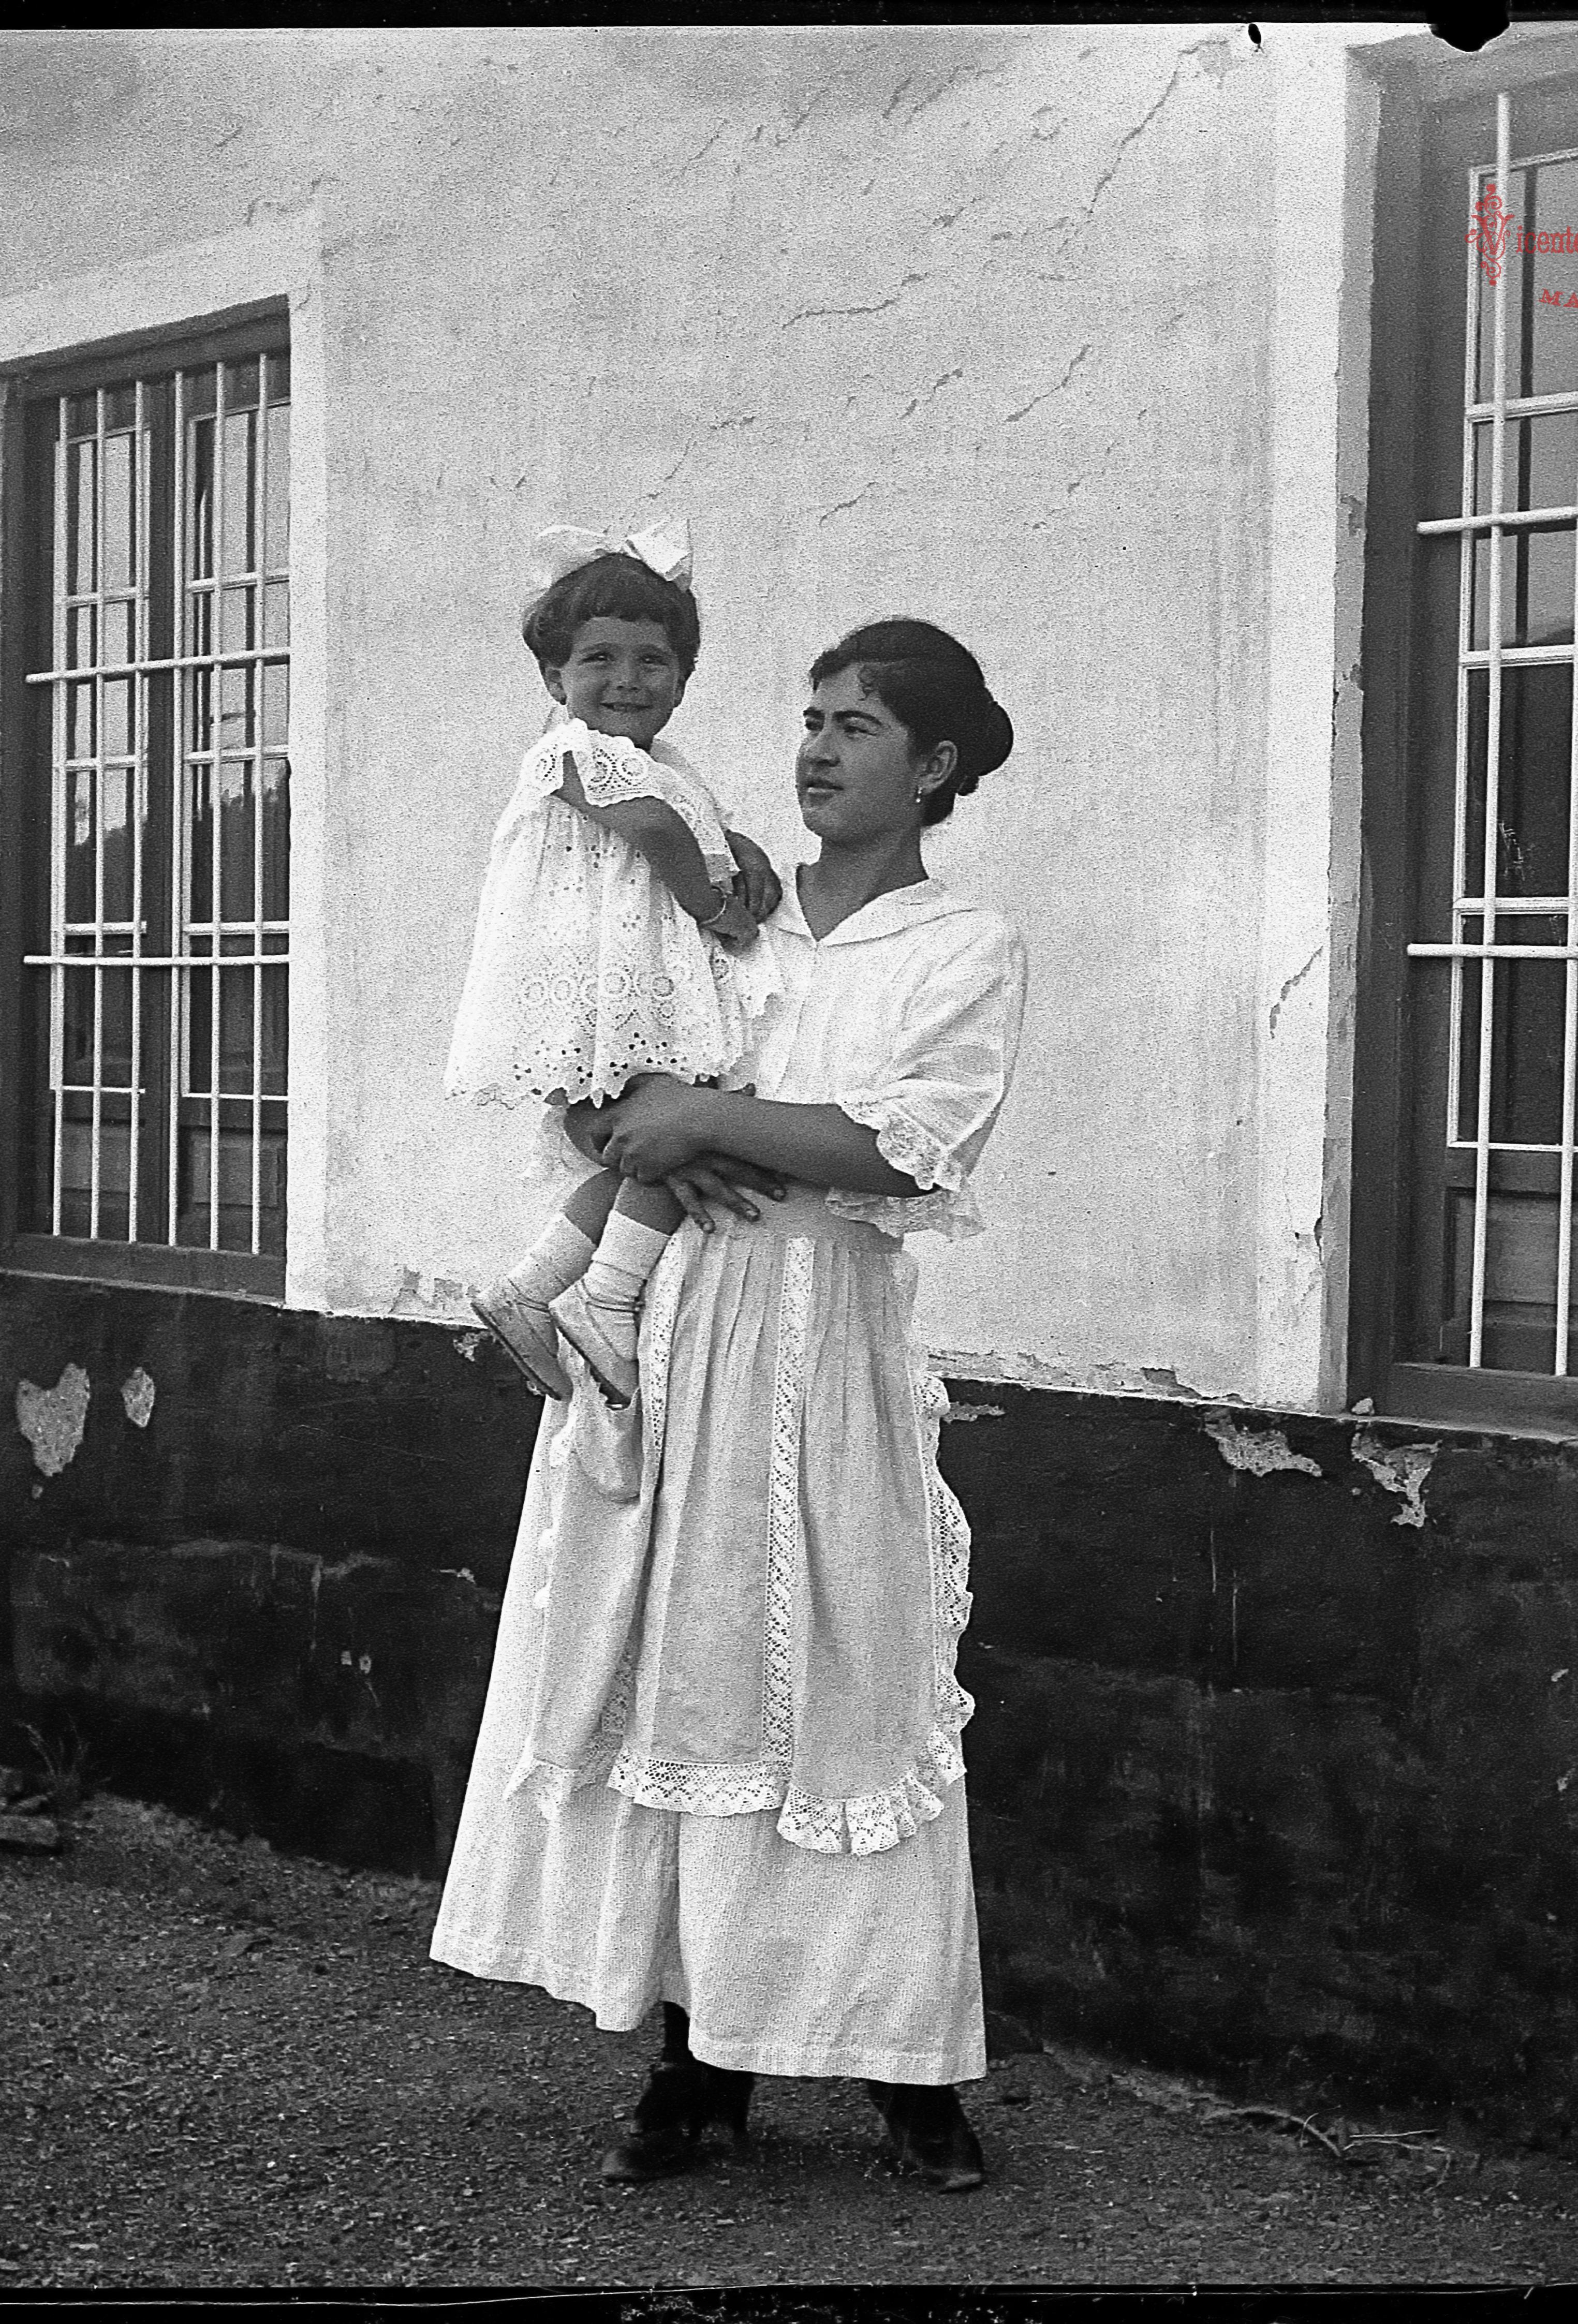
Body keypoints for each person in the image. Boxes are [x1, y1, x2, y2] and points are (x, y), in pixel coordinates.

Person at [430, 618, 1026, 2194]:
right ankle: (698, 2061)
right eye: (812, 718)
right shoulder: (728, 915)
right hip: (669, 1332)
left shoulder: (961, 948)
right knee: (683, 1680)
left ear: (938, 766)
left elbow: (909, 1141)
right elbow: (593, 1068)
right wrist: (649, 1123)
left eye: (862, 727)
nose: (821, 748)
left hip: (824, 1346)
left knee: (857, 1684)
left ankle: (911, 2069)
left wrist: (703, 1113)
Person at [446, 521, 785, 1408]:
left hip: (630, 985)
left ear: (682, 681)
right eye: (600, 659)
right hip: (599, 989)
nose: (628, 680)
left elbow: (695, 822)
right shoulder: (570, 752)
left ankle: (528, 1290)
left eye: (653, 661)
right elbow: (657, 830)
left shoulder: (661, 761)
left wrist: (741, 847)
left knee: (661, 1146)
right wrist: (715, 905)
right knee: (696, 1125)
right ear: (555, 679)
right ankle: (604, 1295)